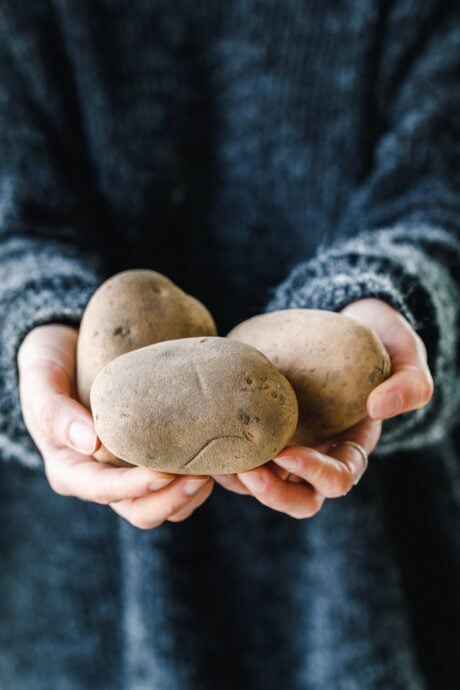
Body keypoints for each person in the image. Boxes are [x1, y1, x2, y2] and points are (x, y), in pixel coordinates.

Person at [0, 1, 458, 688]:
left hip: (375, 575)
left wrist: (390, 301)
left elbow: (442, 193)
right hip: (79, 591)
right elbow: (13, 218)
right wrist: (31, 328)